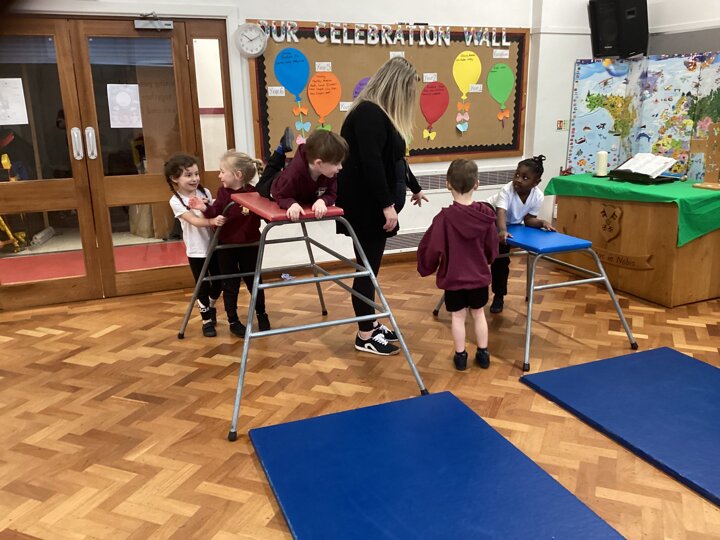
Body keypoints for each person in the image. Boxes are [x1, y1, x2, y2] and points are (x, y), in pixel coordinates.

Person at [336, 56, 428, 356]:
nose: (410, 98)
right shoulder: (368, 114)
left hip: (373, 205)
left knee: (370, 268)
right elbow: (371, 163)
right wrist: (387, 205)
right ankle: (364, 335)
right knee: (367, 270)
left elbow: (395, 159)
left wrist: (414, 187)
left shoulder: (379, 114)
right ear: (396, 87)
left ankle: (371, 324)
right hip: (366, 208)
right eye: (409, 91)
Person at [417, 159, 499, 370]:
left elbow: (432, 248)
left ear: (448, 184)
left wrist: (427, 266)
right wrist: (487, 261)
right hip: (478, 277)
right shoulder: (486, 217)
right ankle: (483, 354)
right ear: (477, 184)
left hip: (454, 278)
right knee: (479, 314)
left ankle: (461, 356)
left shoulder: (443, 219)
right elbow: (492, 248)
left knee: (458, 316)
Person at [189, 150, 270, 337]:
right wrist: (204, 208)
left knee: (254, 281)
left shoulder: (254, 192)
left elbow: (263, 213)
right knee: (230, 284)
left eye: (222, 171)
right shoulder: (223, 192)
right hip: (227, 247)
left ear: (238, 175)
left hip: (250, 245)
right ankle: (233, 320)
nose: (219, 175)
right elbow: (217, 211)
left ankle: (262, 314)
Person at [166, 153, 226, 337]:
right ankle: (206, 320)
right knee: (202, 285)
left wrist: (210, 209)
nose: (194, 178)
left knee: (219, 283)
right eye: (188, 175)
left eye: (196, 174)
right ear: (175, 178)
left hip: (214, 246)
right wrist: (212, 221)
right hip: (196, 250)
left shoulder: (204, 192)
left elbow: (212, 209)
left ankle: (211, 305)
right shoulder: (176, 201)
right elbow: (193, 220)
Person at [487, 154, 556, 314]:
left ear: (536, 182)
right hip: (491, 218)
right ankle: (474, 292)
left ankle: (499, 295)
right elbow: (500, 212)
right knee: (488, 256)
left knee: (501, 260)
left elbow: (529, 219)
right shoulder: (507, 190)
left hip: (511, 225)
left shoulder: (538, 196)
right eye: (517, 174)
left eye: (525, 177)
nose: (518, 180)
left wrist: (542, 222)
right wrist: (502, 231)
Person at [270, 129, 348, 221]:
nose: (340, 167)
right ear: (319, 163)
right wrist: (292, 204)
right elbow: (282, 196)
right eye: (336, 163)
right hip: (273, 185)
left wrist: (322, 201)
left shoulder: (329, 173)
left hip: (299, 189)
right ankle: (280, 149)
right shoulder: (292, 176)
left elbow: (331, 194)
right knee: (271, 171)